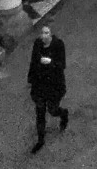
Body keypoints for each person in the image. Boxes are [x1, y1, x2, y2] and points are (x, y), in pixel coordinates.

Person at [27, 23, 67, 153]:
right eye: (42, 33)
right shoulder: (37, 44)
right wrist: (31, 79)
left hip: (54, 85)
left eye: (46, 33)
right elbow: (33, 62)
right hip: (40, 84)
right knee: (40, 113)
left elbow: (62, 65)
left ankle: (63, 114)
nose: (43, 36)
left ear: (51, 34)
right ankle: (40, 140)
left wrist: (50, 63)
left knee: (52, 110)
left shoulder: (58, 45)